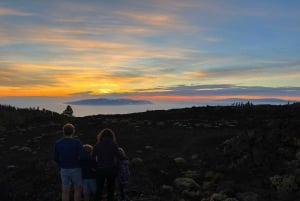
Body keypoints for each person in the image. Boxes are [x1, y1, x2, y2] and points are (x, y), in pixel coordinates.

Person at [54, 123, 85, 201]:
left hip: (64, 169)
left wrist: (61, 164)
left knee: (65, 191)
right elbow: (82, 156)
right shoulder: (77, 142)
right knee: (77, 189)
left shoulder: (58, 143)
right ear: (73, 131)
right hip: (76, 168)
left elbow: (55, 158)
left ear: (63, 131)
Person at [92, 128, 122, 201]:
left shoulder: (97, 145)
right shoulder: (114, 144)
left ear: (101, 136)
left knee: (99, 189)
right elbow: (119, 156)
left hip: (100, 169)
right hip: (111, 169)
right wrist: (117, 167)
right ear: (111, 136)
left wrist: (95, 167)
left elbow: (92, 157)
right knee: (111, 189)